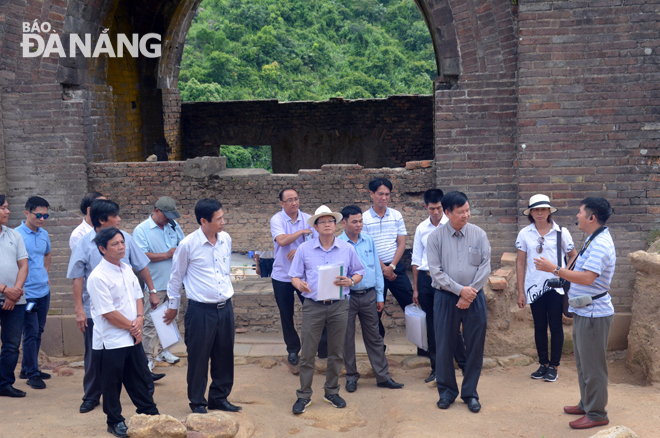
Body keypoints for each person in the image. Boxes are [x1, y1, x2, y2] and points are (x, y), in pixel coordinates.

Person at [67, 199, 162, 414]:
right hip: (101, 312)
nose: (119, 219)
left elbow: (141, 268)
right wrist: (79, 309)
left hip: (129, 314)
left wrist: (148, 300)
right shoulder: (85, 246)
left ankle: (146, 402)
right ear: (102, 220)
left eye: (121, 244)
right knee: (98, 360)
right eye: (115, 216)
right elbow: (77, 278)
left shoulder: (125, 243)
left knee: (137, 363)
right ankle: (92, 397)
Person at [534, 197, 615, 430]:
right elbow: (580, 269)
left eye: (580, 212)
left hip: (594, 314)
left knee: (593, 366)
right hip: (585, 311)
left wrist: (555, 269)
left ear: (591, 217)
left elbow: (589, 278)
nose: (576, 215)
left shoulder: (600, 244)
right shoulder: (593, 237)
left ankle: (597, 413)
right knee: (583, 363)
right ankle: (587, 404)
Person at [165, 198, 241, 414]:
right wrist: (173, 306)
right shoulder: (188, 244)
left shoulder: (225, 239)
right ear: (204, 221)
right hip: (200, 311)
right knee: (199, 358)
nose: (223, 222)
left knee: (224, 355)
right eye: (219, 219)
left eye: (223, 217)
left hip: (225, 308)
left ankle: (219, 397)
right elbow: (175, 278)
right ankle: (198, 402)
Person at [289, 205, 364, 414]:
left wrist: (350, 280)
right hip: (313, 305)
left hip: (339, 305)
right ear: (315, 226)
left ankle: (331, 391)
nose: (327, 224)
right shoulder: (304, 249)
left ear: (336, 224)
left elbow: (359, 272)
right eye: (322, 221)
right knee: (308, 352)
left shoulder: (346, 248)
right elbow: (294, 276)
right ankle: (304, 395)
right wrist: (300, 285)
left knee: (336, 350)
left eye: (331, 221)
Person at [87, 227, 159, 438]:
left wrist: (139, 318)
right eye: (115, 244)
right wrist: (133, 327)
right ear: (102, 249)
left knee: (140, 377)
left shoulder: (126, 268)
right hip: (110, 340)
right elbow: (108, 312)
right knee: (112, 383)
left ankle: (149, 412)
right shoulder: (97, 277)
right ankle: (114, 421)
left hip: (131, 333)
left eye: (122, 242)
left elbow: (138, 294)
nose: (121, 247)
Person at [427, 191, 490, 413]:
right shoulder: (435, 238)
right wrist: (460, 291)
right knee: (444, 345)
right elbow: (435, 272)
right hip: (445, 297)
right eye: (460, 211)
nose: (466, 215)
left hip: (475, 296)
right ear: (447, 213)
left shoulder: (479, 234)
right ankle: (446, 393)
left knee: (475, 346)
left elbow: (485, 267)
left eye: (467, 210)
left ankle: (470, 394)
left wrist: (469, 293)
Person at [338, 205, 403, 393]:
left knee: (374, 337)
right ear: (344, 223)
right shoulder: (338, 244)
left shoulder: (369, 241)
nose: (359, 225)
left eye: (361, 221)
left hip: (368, 296)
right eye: (354, 221)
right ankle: (351, 377)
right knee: (347, 338)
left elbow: (376, 270)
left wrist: (380, 296)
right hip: (347, 298)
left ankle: (382, 376)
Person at [516, 194, 577, 383]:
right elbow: (520, 263)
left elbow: (573, 255)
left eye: (543, 209)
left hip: (556, 287)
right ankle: (543, 364)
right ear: (531, 213)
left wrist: (563, 273)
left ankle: (554, 366)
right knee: (539, 327)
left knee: (556, 326)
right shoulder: (525, 233)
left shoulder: (561, 232)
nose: (540, 213)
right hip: (534, 287)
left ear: (549, 211)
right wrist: (520, 291)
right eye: (536, 210)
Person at [411, 189, 466, 383]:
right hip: (426, 280)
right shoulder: (421, 229)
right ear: (426, 207)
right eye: (432, 208)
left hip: (447, 279)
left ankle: (463, 363)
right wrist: (416, 288)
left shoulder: (452, 226)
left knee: (451, 322)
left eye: (439, 208)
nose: (436, 212)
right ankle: (436, 367)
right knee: (431, 326)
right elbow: (416, 259)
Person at [270, 188, 326, 365]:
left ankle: (322, 348)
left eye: (296, 199)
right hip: (282, 275)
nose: (294, 203)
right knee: (286, 315)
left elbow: (319, 241)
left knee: (315, 311)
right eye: (290, 200)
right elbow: (282, 240)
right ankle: (293, 349)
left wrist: (300, 249)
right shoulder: (277, 219)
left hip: (305, 276)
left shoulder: (309, 218)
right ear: (282, 203)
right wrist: (302, 233)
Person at [133, 196, 185, 371]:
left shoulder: (173, 226)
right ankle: (148, 357)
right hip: (154, 284)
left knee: (170, 319)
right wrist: (167, 254)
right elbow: (140, 256)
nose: (169, 219)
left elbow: (183, 245)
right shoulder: (142, 230)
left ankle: (165, 351)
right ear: (156, 211)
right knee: (149, 322)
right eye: (166, 215)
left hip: (173, 283)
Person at [362, 178, 413, 343]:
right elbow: (367, 248)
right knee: (374, 311)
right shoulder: (364, 219)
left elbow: (402, 243)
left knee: (412, 305)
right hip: (375, 271)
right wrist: (383, 268)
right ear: (371, 194)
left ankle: (422, 345)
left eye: (387, 194)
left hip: (395, 269)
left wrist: (391, 266)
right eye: (380, 194)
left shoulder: (396, 215)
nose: (384, 197)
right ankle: (379, 349)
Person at [16, 196, 53, 389]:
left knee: (38, 330)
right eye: (38, 214)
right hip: (26, 294)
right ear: (27, 213)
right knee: (30, 332)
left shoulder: (44, 234)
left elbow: (47, 253)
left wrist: (44, 273)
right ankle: (32, 373)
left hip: (43, 291)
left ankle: (27, 368)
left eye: (45, 215)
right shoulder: (16, 235)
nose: (42, 218)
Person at [0, 194, 29, 398]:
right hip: (7, 293)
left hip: (15, 300)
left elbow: (24, 265)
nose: (7, 211)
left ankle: (5, 384)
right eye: (3, 208)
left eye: (7, 207)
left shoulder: (14, 235)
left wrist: (14, 292)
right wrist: (4, 289)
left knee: (11, 345)